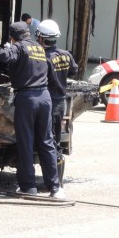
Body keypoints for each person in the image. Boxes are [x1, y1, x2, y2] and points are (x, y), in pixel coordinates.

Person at [0, 21, 64, 199]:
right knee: (46, 142)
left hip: (27, 98)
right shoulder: (38, 47)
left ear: (12, 37)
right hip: (45, 97)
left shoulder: (20, 47)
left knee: (26, 142)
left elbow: (3, 55)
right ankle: (55, 187)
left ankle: (28, 187)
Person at [36, 19, 78, 187]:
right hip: (61, 103)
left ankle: (53, 183)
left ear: (40, 37)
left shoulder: (44, 58)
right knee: (56, 141)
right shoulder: (66, 55)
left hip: (48, 103)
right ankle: (56, 181)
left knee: (49, 142)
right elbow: (74, 71)